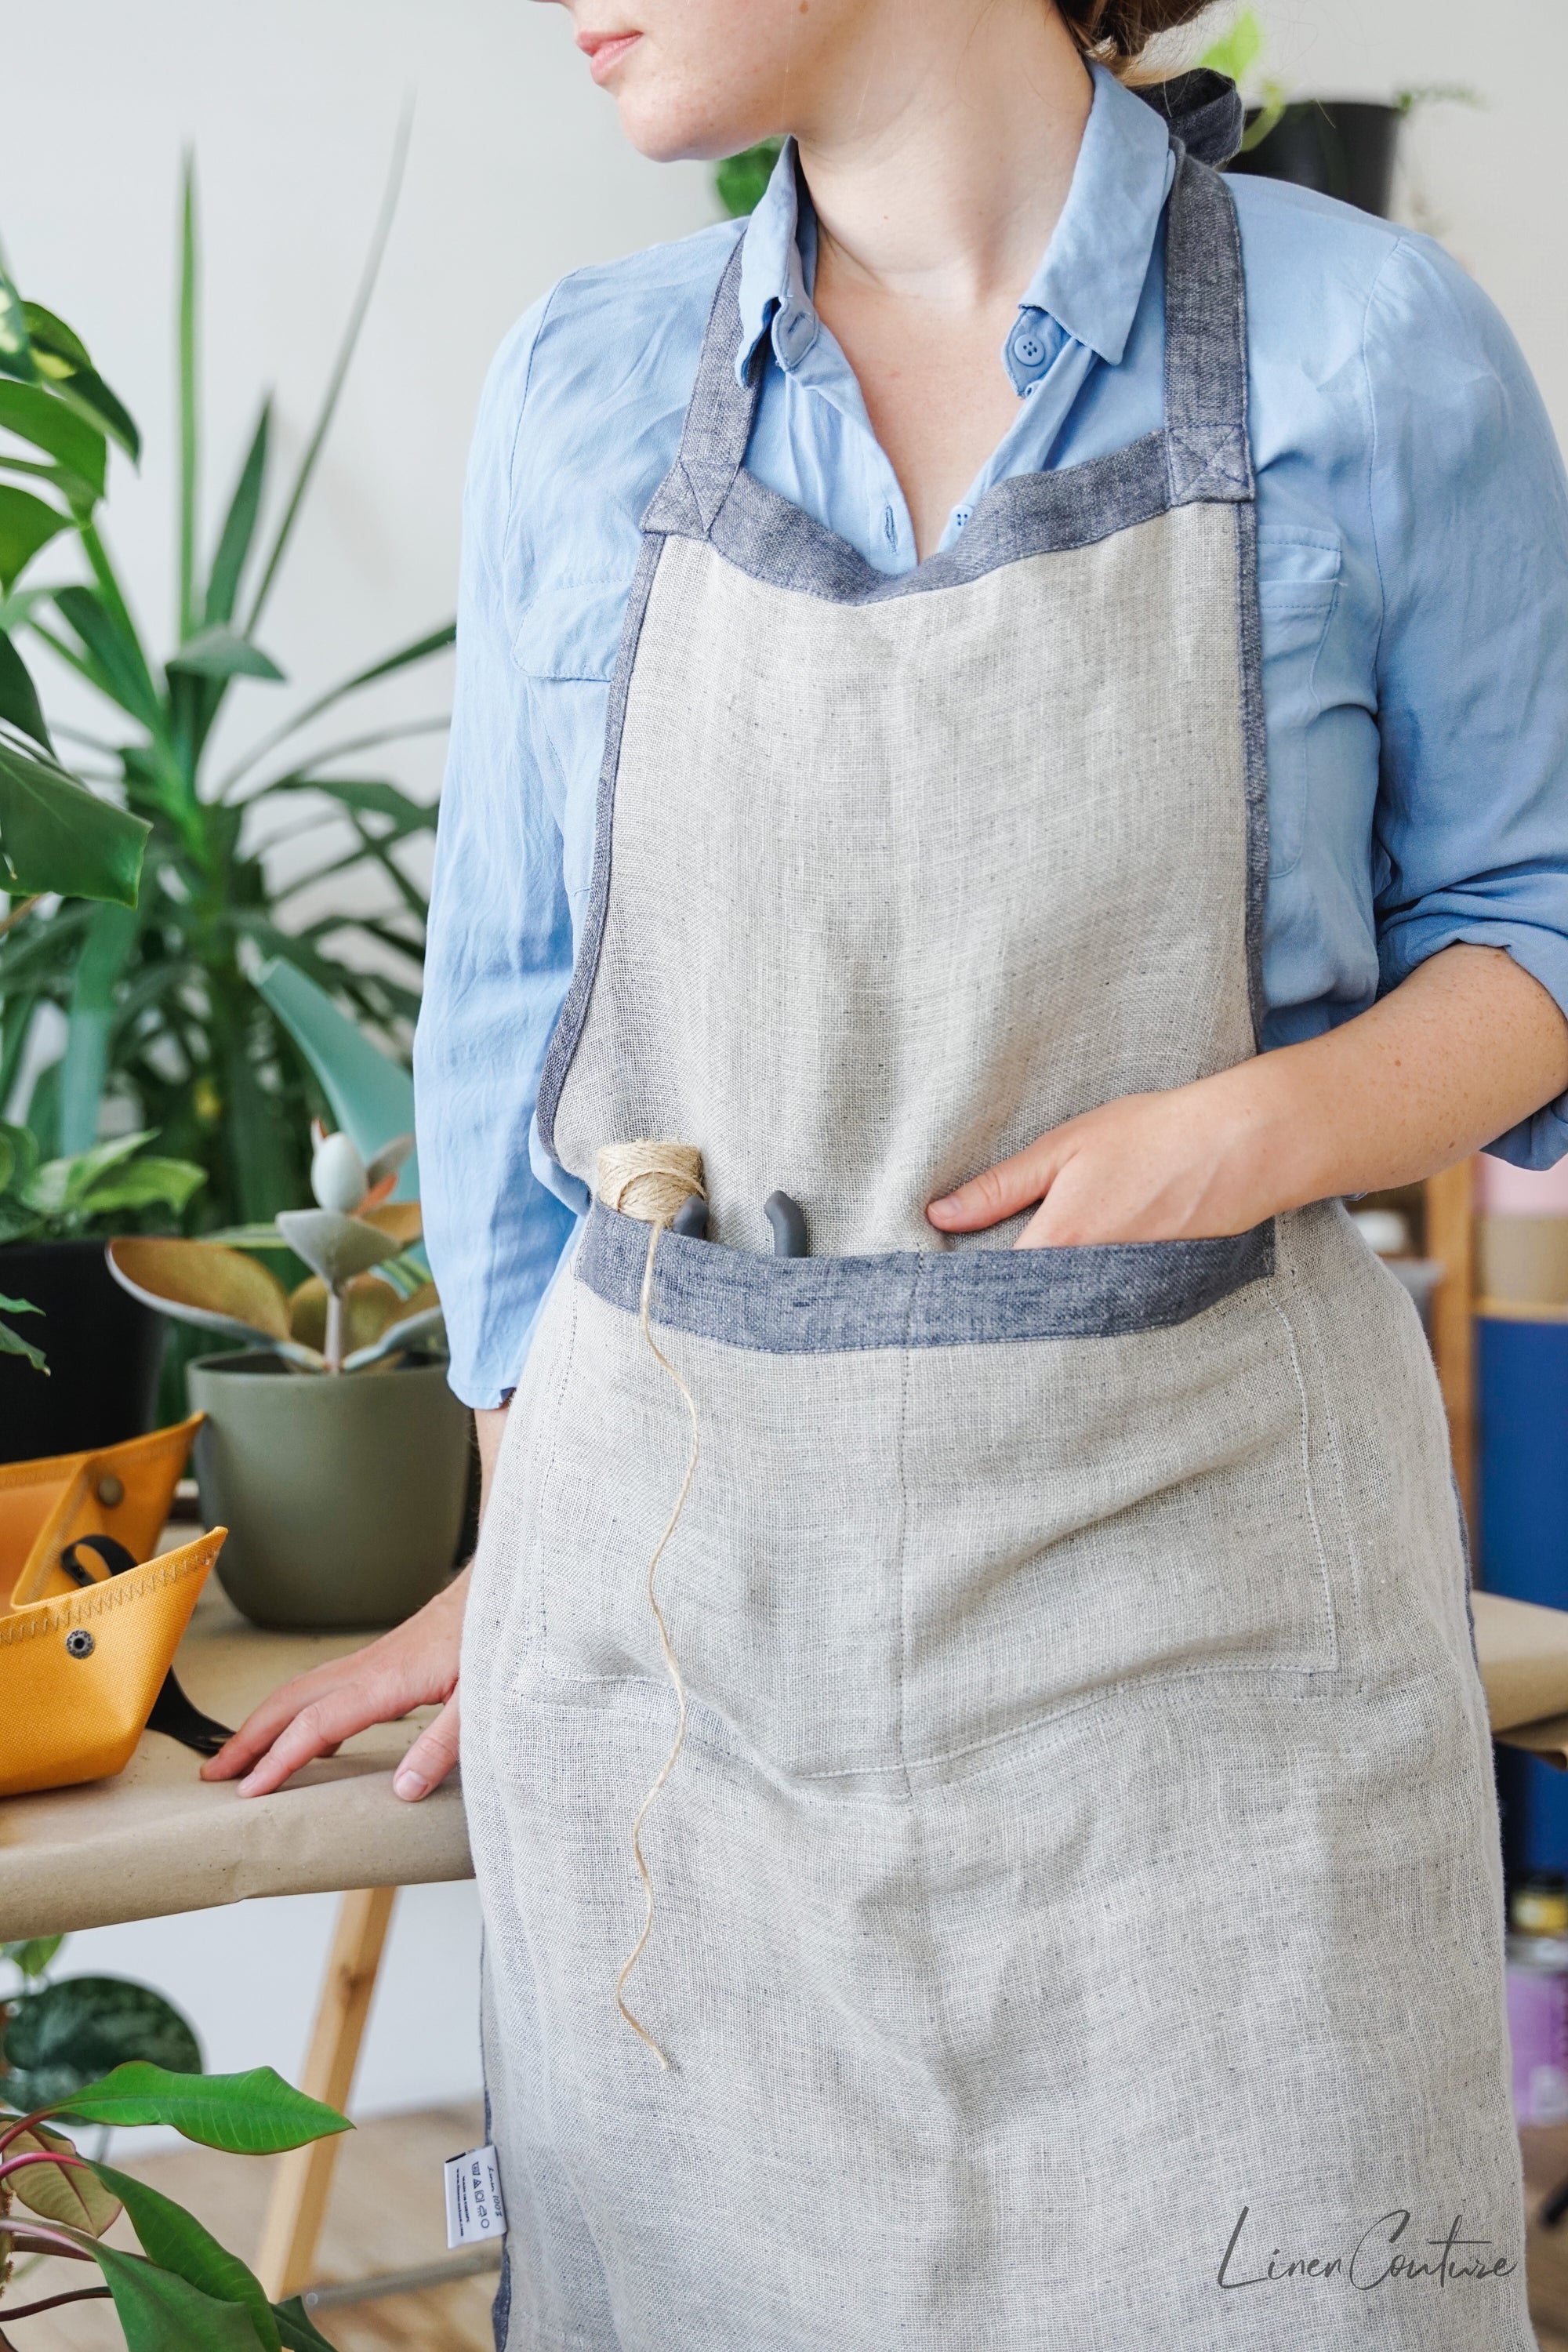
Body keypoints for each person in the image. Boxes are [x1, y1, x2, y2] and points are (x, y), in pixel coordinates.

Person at [206, 2, 1568, 2342]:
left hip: (1221, 1691)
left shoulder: (1369, 347)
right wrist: (539, 1542)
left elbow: (1537, 929)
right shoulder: (587, 388)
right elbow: (515, 1026)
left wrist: (1246, 1129)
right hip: (693, 1733)